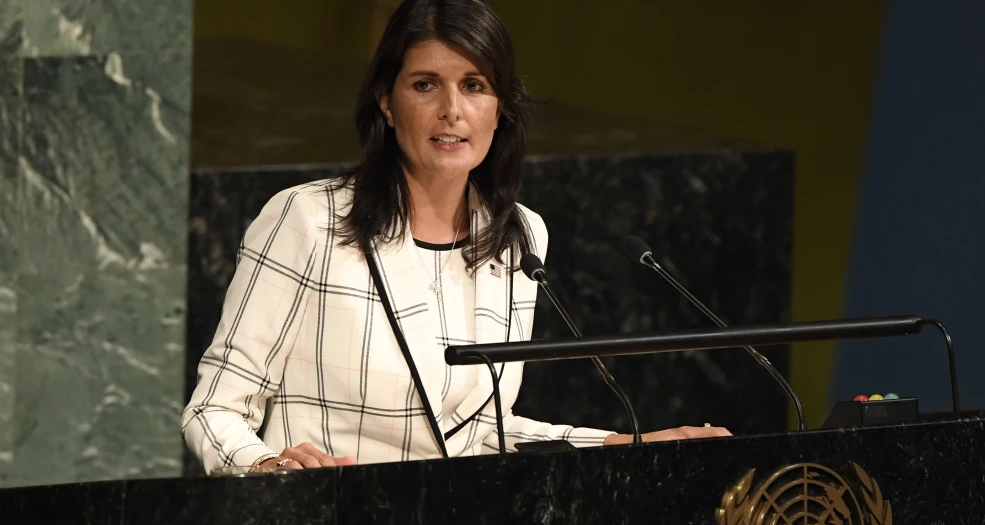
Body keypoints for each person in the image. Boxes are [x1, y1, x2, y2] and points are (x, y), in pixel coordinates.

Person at [181, 0, 730, 474]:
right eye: (425, 85)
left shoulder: (518, 234)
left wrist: (622, 445)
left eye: (475, 86)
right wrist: (264, 465)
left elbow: (478, 435)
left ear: (501, 108)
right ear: (387, 102)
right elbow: (213, 410)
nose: (452, 110)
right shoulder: (308, 219)